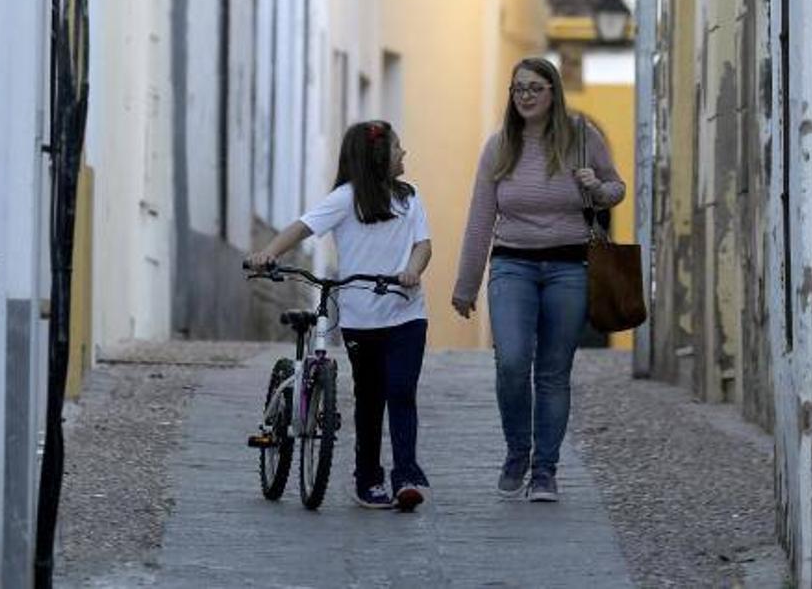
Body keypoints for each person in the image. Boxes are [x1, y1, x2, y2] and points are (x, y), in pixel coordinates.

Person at [451, 57, 625, 503]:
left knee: (552, 373)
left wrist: (597, 188)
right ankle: (517, 452)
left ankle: (545, 470)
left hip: (570, 268)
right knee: (511, 362)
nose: (525, 96)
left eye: (534, 88)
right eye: (518, 89)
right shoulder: (499, 147)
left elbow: (616, 188)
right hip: (513, 265)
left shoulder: (583, 138)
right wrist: (466, 284)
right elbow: (479, 220)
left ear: (553, 92)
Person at [246, 121, 434, 512]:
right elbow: (302, 226)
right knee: (369, 397)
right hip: (361, 319)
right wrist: (270, 253)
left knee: (401, 391)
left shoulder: (410, 197)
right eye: (398, 147)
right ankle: (367, 479)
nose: (405, 154)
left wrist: (413, 270)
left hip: (406, 313)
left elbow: (423, 244)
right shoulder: (345, 199)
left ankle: (406, 477)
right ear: (379, 157)